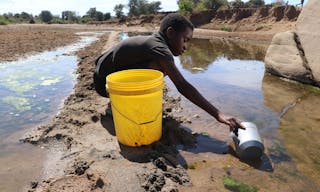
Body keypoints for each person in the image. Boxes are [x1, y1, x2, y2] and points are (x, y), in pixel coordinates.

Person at [94, 13, 244, 131]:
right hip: (103, 84)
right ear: (171, 33)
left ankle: (120, 101)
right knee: (160, 68)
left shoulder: (155, 43)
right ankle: (117, 107)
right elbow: (182, 85)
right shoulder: (160, 49)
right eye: (185, 40)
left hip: (103, 77)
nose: (185, 47)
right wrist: (218, 114)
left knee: (161, 69)